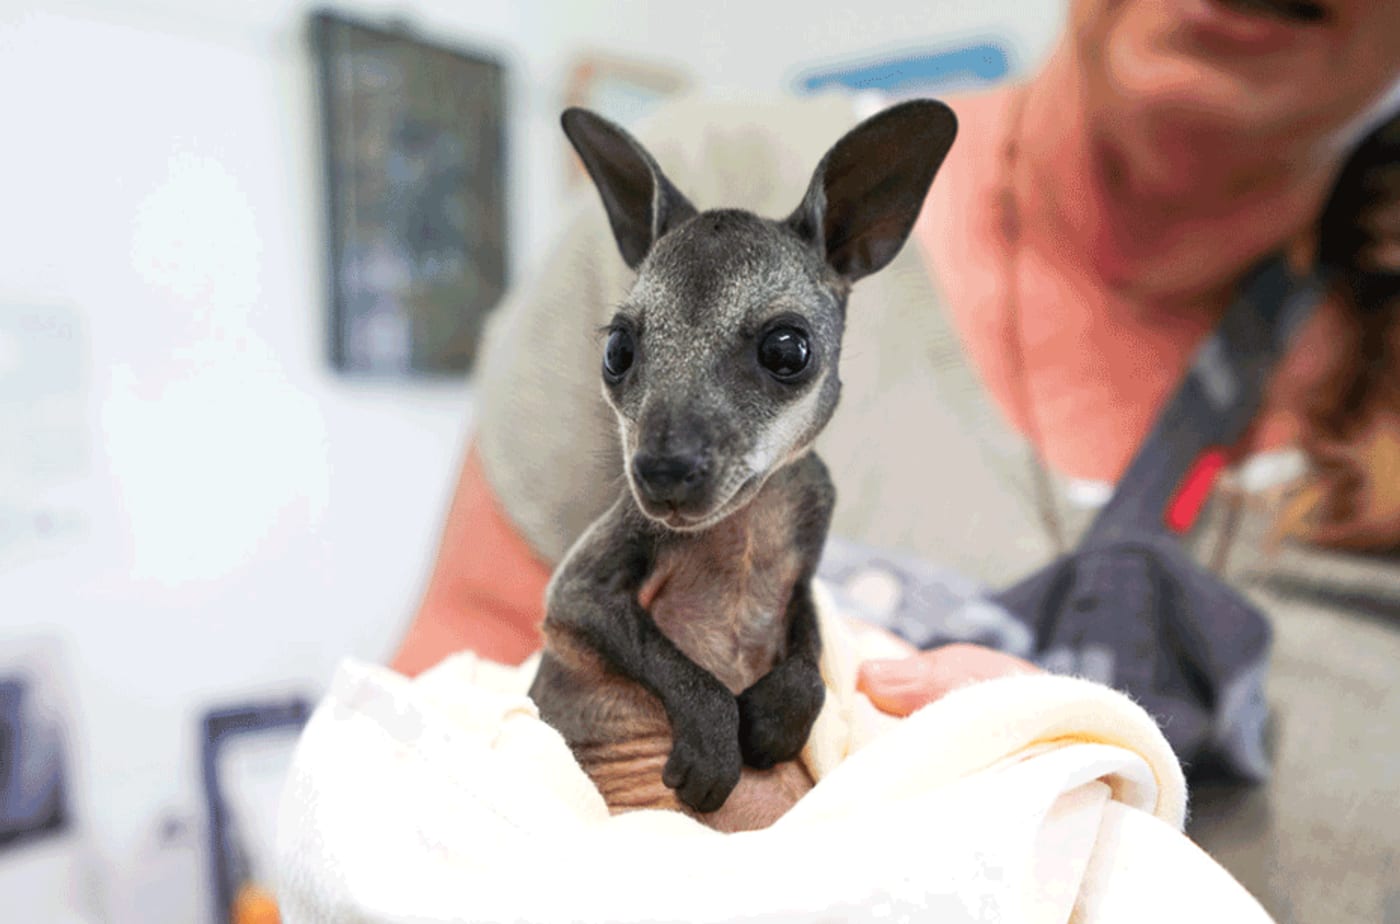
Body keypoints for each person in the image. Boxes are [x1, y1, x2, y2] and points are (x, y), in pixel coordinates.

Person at [390, 2, 1400, 920]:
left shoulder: (801, 476)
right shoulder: (708, 187)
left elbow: (793, 628)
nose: (674, 447)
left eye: (778, 358)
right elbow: (457, 707)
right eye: (627, 359)